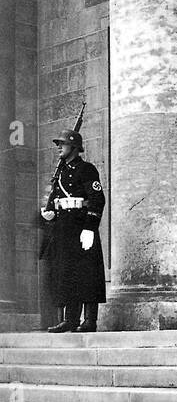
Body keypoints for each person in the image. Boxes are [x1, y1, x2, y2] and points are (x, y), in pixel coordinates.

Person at [40, 128, 106, 333]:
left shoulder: (86, 169)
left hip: (81, 226)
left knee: (87, 273)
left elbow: (97, 199)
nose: (58, 147)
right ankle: (70, 320)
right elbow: (55, 197)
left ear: (74, 147)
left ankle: (89, 321)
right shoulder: (60, 171)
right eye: (58, 144)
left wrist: (90, 228)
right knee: (66, 273)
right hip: (63, 229)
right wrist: (50, 211)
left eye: (62, 144)